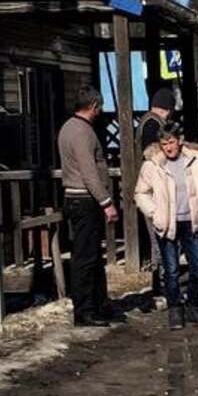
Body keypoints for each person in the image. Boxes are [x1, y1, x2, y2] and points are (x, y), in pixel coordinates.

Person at [135, 124, 198, 330]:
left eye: (171, 142)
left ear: (179, 140)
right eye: (164, 144)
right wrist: (155, 213)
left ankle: (193, 305)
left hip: (192, 220)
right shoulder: (152, 165)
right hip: (168, 222)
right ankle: (175, 310)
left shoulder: (196, 161)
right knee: (171, 270)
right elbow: (141, 193)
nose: (168, 147)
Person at [57, 86, 121, 327]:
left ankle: (97, 303)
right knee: (86, 256)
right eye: (100, 107)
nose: (100, 111)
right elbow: (89, 172)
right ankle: (84, 310)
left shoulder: (67, 128)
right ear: (94, 105)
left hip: (76, 198)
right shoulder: (83, 132)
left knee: (91, 254)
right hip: (85, 199)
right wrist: (106, 202)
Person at [136, 86, 177, 311]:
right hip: (152, 192)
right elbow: (154, 154)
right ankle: (161, 290)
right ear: (168, 109)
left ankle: (163, 287)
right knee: (159, 240)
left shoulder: (146, 121)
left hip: (149, 190)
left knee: (159, 240)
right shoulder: (153, 125)